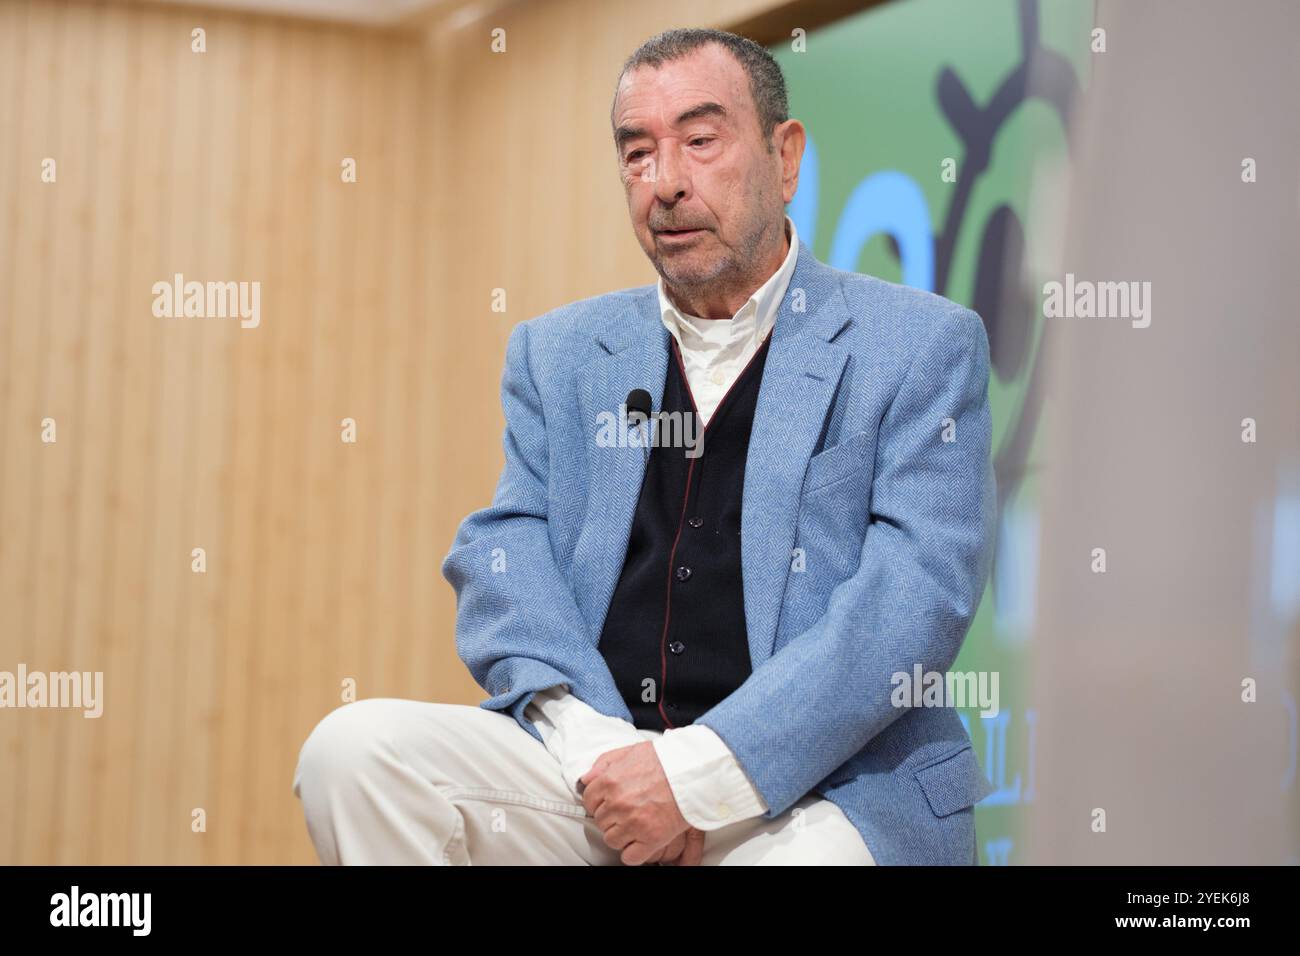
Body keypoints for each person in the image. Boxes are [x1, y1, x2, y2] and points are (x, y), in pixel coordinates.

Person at [294, 26, 997, 866]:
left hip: (816, 793)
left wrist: (696, 779)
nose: (664, 185)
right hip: (599, 771)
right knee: (355, 752)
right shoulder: (559, 353)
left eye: (700, 142)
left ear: (786, 157)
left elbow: (914, 600)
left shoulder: (917, 344)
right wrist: (603, 758)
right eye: (637, 154)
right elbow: (504, 552)